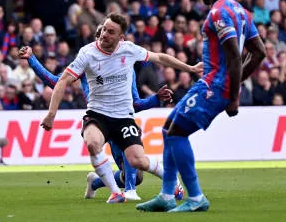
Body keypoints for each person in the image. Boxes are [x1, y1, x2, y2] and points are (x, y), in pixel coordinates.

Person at [137, 0, 266, 213]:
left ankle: (196, 197)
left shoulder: (218, 13)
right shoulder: (241, 11)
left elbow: (234, 58)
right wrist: (234, 85)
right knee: (167, 130)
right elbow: (259, 52)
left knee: (176, 133)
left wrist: (233, 95)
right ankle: (166, 195)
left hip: (213, 86)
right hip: (213, 83)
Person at [41, 13, 202, 203]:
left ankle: (172, 179)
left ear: (121, 37)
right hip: (97, 114)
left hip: (123, 118)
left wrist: (190, 68)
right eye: (104, 29)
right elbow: (62, 81)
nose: (104, 35)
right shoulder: (87, 53)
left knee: (138, 162)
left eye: (111, 32)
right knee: (92, 142)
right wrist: (51, 114)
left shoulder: (129, 50)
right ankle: (116, 192)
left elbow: (159, 57)